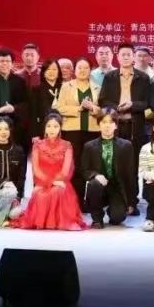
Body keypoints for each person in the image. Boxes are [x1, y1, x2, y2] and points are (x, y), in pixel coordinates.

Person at [15, 113, 87, 230]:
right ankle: (42, 222)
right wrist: (50, 182)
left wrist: (57, 182)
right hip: (43, 182)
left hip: (61, 181)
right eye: (49, 126)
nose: (52, 129)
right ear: (44, 128)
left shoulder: (67, 145)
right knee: (39, 194)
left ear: (60, 128)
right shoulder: (37, 145)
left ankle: (58, 222)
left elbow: (66, 170)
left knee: (58, 191)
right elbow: (36, 170)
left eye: (55, 126)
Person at [82, 108, 137, 228]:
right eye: (104, 122)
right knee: (94, 184)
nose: (107, 126)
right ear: (99, 124)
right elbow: (84, 170)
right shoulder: (89, 146)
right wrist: (96, 175)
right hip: (98, 186)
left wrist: (131, 202)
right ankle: (97, 218)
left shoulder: (126, 146)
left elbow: (130, 175)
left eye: (111, 122)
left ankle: (113, 208)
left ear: (116, 125)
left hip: (117, 187)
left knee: (118, 217)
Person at [58, 57, 101, 201]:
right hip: (72, 132)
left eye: (86, 68)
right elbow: (60, 107)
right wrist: (79, 108)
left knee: (90, 165)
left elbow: (102, 111)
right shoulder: (66, 86)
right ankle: (75, 200)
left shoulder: (97, 87)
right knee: (74, 165)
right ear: (74, 70)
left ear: (91, 70)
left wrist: (92, 108)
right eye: (79, 68)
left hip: (93, 131)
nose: (82, 71)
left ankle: (92, 199)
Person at [100, 42, 153, 156]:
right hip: (115, 123)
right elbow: (103, 100)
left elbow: (148, 102)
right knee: (115, 156)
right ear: (117, 57)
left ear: (133, 57)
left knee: (134, 156)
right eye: (123, 55)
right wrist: (116, 107)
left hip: (135, 125)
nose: (126, 57)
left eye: (128, 55)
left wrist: (132, 105)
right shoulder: (109, 77)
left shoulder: (143, 77)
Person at [31, 59, 63, 137]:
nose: (51, 72)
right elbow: (33, 114)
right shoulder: (36, 89)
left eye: (54, 69)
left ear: (58, 72)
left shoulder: (64, 88)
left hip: (63, 129)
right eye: (48, 69)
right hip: (42, 129)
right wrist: (35, 134)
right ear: (43, 72)